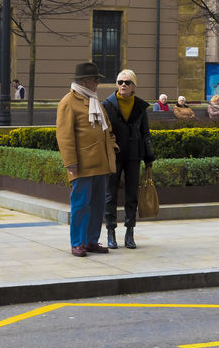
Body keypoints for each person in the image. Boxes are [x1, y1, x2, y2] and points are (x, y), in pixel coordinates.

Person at [55, 61, 117, 258]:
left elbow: (107, 127)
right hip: (81, 165)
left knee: (98, 205)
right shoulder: (68, 102)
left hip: (100, 163)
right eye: (95, 79)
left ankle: (91, 241)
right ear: (84, 81)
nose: (98, 83)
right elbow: (64, 136)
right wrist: (70, 163)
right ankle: (77, 243)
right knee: (81, 205)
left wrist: (112, 147)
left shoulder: (94, 100)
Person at [102, 69, 154, 250]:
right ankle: (110, 231)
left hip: (133, 154)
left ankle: (130, 232)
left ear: (134, 86)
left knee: (132, 195)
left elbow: (145, 133)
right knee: (110, 195)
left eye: (127, 82)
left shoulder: (140, 106)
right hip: (113, 155)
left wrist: (148, 156)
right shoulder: (107, 105)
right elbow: (102, 132)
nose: (123, 85)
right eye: (120, 82)